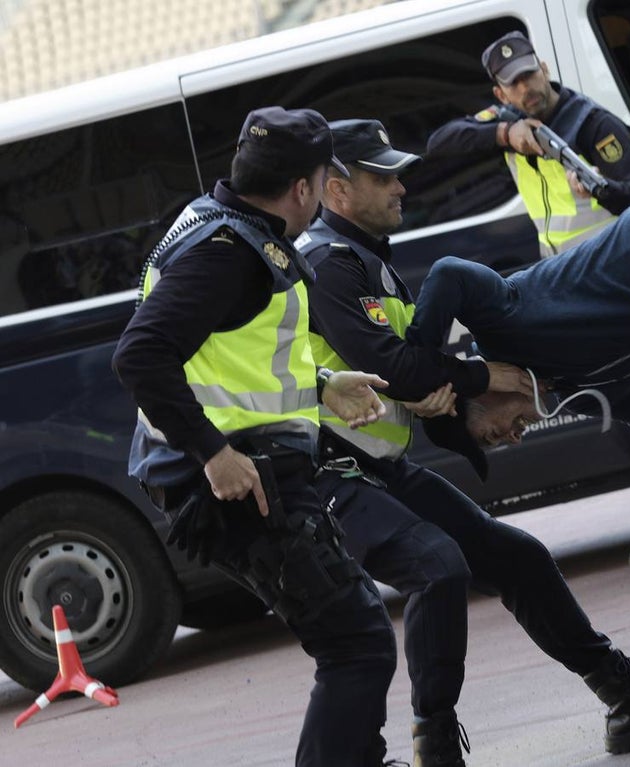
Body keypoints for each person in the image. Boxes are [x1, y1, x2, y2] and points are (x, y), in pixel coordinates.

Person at [298, 118, 630, 765]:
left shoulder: (369, 262)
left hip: (379, 467)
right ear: (336, 189)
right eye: (381, 176)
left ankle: (628, 702)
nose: (400, 187)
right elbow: (407, 368)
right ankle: (434, 746)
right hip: (327, 474)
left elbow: (415, 372)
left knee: (519, 559)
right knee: (437, 568)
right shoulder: (328, 263)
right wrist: (474, 376)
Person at [112, 106, 399, 767]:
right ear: (304, 187)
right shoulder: (228, 252)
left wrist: (321, 384)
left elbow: (227, 361)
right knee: (357, 643)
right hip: (236, 481)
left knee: (353, 634)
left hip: (251, 465)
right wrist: (212, 453)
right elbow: (141, 355)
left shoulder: (221, 223)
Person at [405, 164, 630, 596]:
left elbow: (448, 272)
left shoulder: (501, 325)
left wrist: (424, 370)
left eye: (491, 434)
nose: (511, 439)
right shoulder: (570, 392)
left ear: (476, 394)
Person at [427, 29, 630, 586]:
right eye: (514, 83)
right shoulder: (509, 123)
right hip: (570, 296)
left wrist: (598, 189)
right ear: (499, 92)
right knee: (613, 412)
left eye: (531, 74)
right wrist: (506, 134)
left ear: (544, 67)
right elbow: (443, 142)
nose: (528, 88)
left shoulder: (589, 124)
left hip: (617, 290)